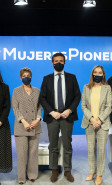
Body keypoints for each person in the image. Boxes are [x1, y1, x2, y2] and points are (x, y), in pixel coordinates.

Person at [39, 52, 81, 183]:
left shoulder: (72, 77)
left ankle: (67, 170)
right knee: (53, 145)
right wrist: (51, 111)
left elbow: (77, 96)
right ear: (52, 63)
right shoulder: (46, 78)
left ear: (65, 62)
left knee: (68, 145)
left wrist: (69, 110)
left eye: (61, 61)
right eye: (56, 61)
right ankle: (54, 170)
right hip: (53, 117)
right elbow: (42, 97)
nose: (58, 63)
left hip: (67, 116)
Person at [81, 65, 112, 185]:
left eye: (100, 73)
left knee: (101, 150)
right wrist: (92, 119)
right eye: (95, 72)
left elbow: (109, 106)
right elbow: (83, 105)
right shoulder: (86, 87)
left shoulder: (107, 88)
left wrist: (99, 120)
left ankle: (99, 174)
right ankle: (92, 172)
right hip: (89, 123)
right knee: (91, 149)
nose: (97, 74)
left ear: (103, 75)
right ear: (92, 74)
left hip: (102, 124)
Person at [12, 67, 43, 184]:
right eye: (24, 76)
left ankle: (32, 175)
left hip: (35, 125)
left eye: (28, 75)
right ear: (20, 78)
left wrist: (38, 119)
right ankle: (21, 178)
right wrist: (24, 121)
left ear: (31, 77)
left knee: (33, 152)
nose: (26, 77)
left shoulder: (37, 91)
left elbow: (40, 107)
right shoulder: (16, 91)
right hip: (21, 126)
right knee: (21, 154)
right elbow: (15, 108)